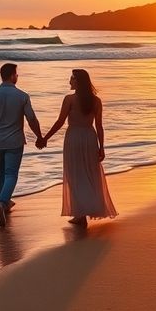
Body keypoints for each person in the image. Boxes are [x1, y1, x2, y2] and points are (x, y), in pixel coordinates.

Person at [40, 68, 117, 226]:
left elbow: (60, 122)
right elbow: (99, 126)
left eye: (72, 78)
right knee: (89, 174)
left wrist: (45, 138)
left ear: (78, 81)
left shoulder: (69, 99)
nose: (70, 81)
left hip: (74, 138)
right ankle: (85, 210)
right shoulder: (96, 101)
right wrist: (101, 147)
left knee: (74, 174)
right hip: (90, 138)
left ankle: (80, 215)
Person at [0, 62, 44, 227]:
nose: (17, 76)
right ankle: (2, 201)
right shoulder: (22, 96)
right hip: (15, 141)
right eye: (16, 73)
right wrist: (40, 137)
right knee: (11, 174)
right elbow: (32, 119)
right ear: (12, 76)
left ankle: (4, 204)